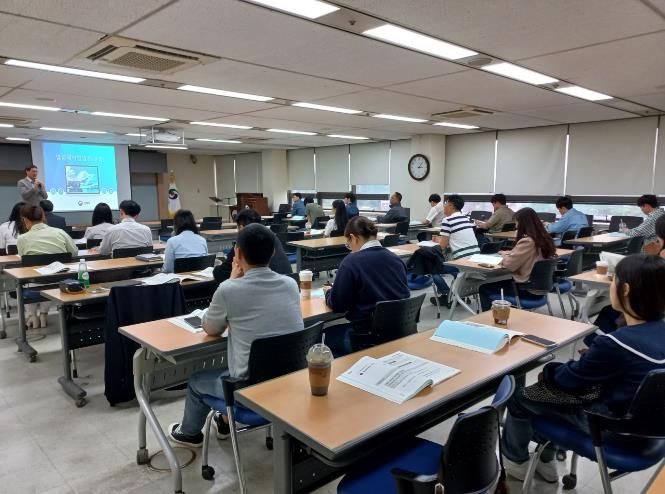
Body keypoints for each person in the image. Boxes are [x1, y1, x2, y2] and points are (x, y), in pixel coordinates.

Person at [501, 255, 665, 484]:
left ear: (625, 289)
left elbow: (566, 381)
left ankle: (515, 461)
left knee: (522, 397)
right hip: (654, 430)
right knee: (552, 395)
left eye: (614, 281)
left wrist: (550, 370)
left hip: (613, 430)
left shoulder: (617, 343)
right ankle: (546, 460)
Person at [168, 223, 303, 446]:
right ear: (273, 252)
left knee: (196, 381)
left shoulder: (229, 289)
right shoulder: (290, 284)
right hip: (288, 382)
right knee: (237, 367)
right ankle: (224, 422)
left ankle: (189, 434)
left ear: (237, 253)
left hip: (249, 391)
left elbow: (211, 328)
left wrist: (231, 280)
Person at [323, 216, 410, 356]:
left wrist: (328, 292)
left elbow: (339, 305)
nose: (350, 248)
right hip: (400, 332)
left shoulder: (351, 262)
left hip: (365, 337)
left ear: (353, 238)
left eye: (348, 244)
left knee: (323, 336)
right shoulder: (396, 259)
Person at [478, 208, 556, 310]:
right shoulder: (544, 238)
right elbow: (529, 256)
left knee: (484, 287)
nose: (516, 226)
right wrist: (511, 253)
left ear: (523, 223)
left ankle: (492, 319)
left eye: (517, 222)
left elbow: (509, 265)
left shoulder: (528, 241)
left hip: (526, 290)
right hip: (541, 289)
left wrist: (505, 256)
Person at [16, 204, 78, 328]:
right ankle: (44, 314)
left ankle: (33, 316)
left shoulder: (22, 238)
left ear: (25, 219)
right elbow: (74, 252)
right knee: (50, 280)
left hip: (35, 285)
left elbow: (23, 258)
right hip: (62, 282)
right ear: (43, 217)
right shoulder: (60, 232)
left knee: (28, 281)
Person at [213, 208, 291, 282]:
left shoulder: (244, 241)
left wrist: (215, 269)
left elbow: (222, 273)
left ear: (241, 227)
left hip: (265, 286)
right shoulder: (272, 237)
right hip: (288, 278)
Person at [430, 194, 480, 305]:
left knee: (432, 268)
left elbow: (443, 246)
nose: (444, 206)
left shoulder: (447, 220)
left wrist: (438, 241)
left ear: (451, 206)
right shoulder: (465, 218)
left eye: (446, 204)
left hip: (462, 264)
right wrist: (440, 239)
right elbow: (456, 238)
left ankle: (448, 295)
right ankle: (458, 293)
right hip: (475, 262)